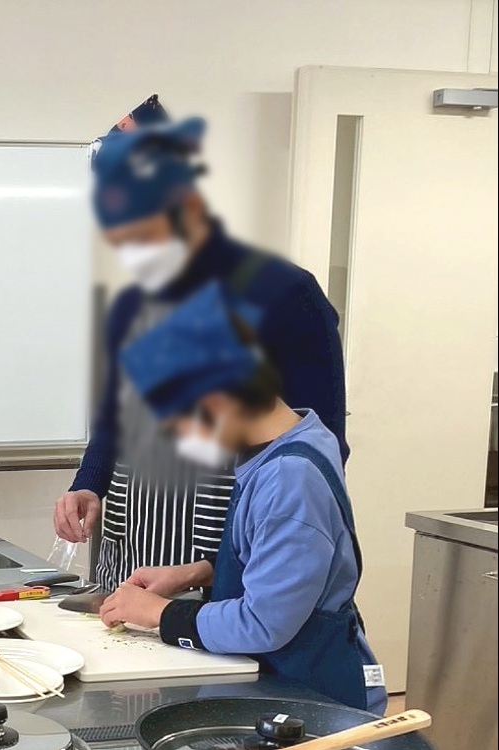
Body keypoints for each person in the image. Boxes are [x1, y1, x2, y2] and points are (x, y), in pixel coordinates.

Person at [54, 95, 348, 591]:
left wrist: (217, 565)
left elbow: (322, 449)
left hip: (220, 567)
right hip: (126, 555)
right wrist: (89, 482)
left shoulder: (285, 294)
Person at [96, 282, 386, 714]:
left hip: (310, 698)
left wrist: (160, 614)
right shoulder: (289, 441)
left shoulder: (290, 478)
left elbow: (264, 622)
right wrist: (196, 573)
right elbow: (281, 561)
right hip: (276, 682)